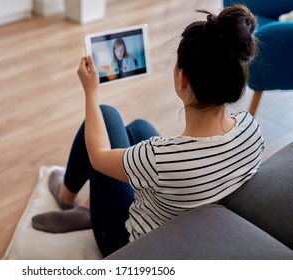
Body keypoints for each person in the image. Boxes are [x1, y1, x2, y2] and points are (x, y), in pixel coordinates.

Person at [32, 5, 265, 257]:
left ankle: (68, 198)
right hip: (182, 223)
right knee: (139, 127)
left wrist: (90, 92)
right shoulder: (251, 129)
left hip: (130, 241)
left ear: (182, 79)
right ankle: (85, 204)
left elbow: (99, 157)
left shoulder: (162, 158)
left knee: (106, 113)